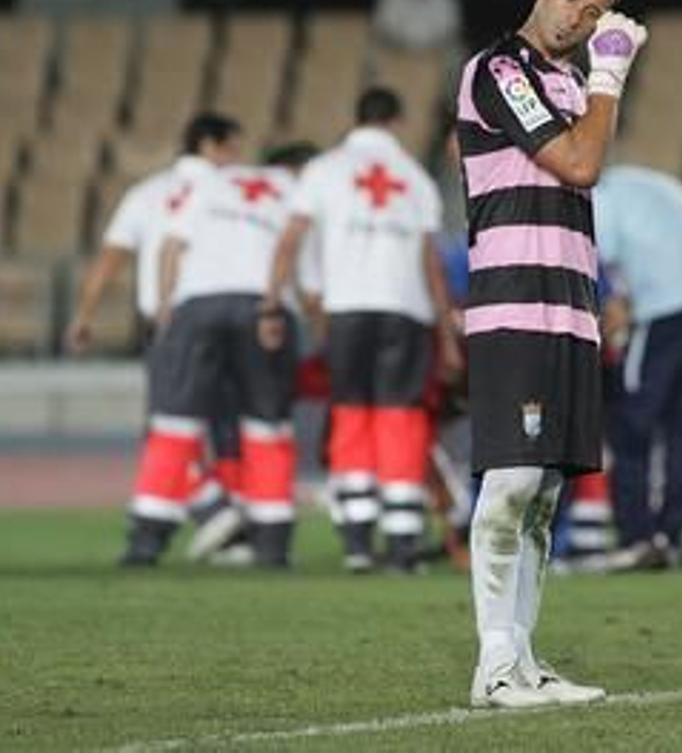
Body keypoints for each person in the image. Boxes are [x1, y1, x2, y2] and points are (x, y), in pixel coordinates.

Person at [455, 0, 646, 709]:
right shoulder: (500, 70)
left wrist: (595, 83)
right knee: (511, 482)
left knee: (542, 494)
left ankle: (523, 660)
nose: (577, 18)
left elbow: (578, 169)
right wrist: (611, 75)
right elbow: (580, 164)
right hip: (514, 302)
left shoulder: (569, 83)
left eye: (595, 11)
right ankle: (495, 663)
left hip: (568, 306)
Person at [264, 86, 462, 574]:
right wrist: (446, 336)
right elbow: (430, 264)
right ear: (395, 122)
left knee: (351, 417)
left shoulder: (323, 170)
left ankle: (356, 542)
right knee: (402, 422)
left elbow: (290, 240)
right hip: (405, 312)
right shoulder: (415, 178)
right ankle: (401, 544)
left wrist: (272, 303)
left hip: (347, 310)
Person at [65, 113, 251, 565]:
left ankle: (208, 512)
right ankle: (236, 529)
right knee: (230, 429)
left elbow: (111, 259)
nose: (238, 157)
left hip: (174, 324)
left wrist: (84, 315)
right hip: (239, 320)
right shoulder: (241, 191)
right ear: (208, 145)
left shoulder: (148, 194)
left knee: (168, 428)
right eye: (232, 147)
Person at [118, 142, 303, 569]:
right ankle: (272, 544)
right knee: (268, 427)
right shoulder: (294, 190)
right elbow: (297, 255)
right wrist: (285, 308)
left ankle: (146, 541)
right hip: (262, 305)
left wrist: (166, 310)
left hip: (197, 305)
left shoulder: (209, 183)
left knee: (173, 425)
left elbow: (170, 247)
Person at [593, 164, 682, 572]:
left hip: (666, 310)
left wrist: (610, 317)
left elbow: (600, 262)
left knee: (630, 425)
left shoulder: (602, 195)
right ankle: (671, 537)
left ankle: (636, 538)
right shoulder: (660, 183)